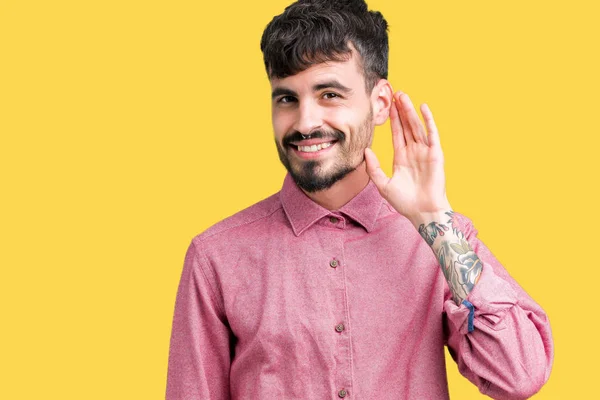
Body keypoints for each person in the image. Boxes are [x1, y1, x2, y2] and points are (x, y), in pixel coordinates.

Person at [165, 0, 554, 398]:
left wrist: (434, 220)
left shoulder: (438, 240)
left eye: (329, 94)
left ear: (380, 102)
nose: (305, 123)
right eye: (286, 99)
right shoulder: (216, 256)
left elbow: (518, 374)